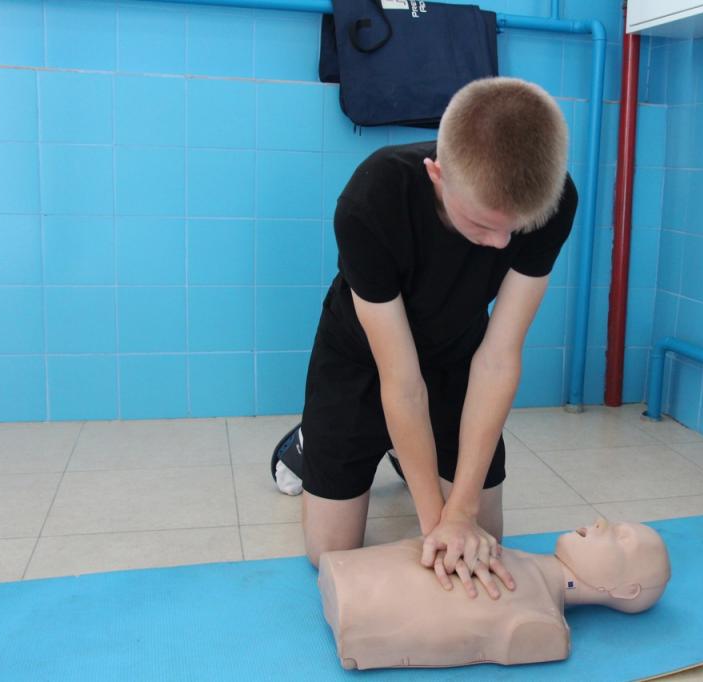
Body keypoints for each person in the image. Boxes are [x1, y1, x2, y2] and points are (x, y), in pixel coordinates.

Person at [270, 76, 578, 592]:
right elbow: (401, 378)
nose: (501, 244)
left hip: (458, 351)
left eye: (515, 228)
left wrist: (463, 513)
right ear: (437, 174)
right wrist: (438, 525)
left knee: (488, 535)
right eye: (482, 225)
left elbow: (498, 358)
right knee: (329, 554)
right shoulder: (373, 199)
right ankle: (307, 444)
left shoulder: (553, 201)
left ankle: (405, 447)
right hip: (361, 358)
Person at [318, 518, 671, 670]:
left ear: (626, 590)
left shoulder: (542, 626)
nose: (600, 523)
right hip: (348, 576)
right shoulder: (521, 564)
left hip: (357, 610)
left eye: (621, 538)